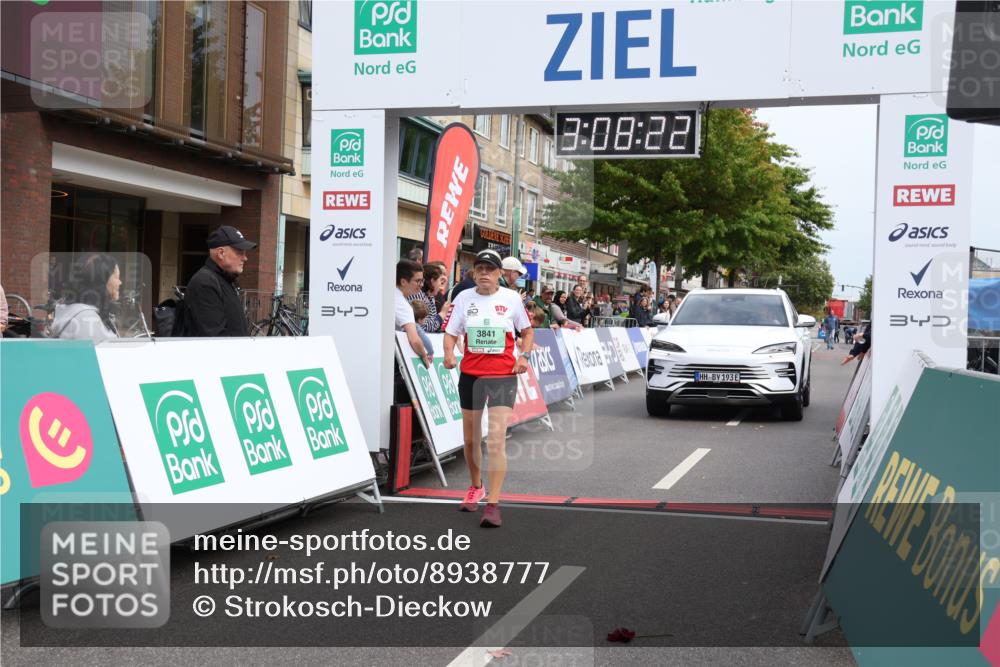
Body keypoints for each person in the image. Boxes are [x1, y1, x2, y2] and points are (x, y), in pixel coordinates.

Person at [444, 249, 533, 528]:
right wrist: (448, 353)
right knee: (470, 441)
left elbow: (527, 331)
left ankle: (493, 504)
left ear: (499, 274)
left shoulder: (510, 300)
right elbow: (450, 332)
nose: (484, 273)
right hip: (471, 376)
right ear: (473, 273)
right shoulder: (463, 299)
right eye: (479, 268)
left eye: (490, 269)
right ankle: (476, 486)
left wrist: (524, 356)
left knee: (495, 440)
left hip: (502, 377)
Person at [176, 225, 255, 337]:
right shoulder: (204, 283)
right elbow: (214, 338)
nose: (245, 258)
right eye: (240, 252)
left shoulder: (225, 280)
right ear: (221, 253)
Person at [50, 253, 121, 343]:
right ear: (101, 281)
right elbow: (96, 355)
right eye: (116, 277)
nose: (120, 282)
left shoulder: (77, 312)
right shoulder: (86, 319)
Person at [395, 259, 432, 367]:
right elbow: (414, 340)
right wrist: (425, 356)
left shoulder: (386, 292)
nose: (421, 285)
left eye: (422, 281)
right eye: (417, 281)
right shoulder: (403, 305)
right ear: (403, 282)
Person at [408, 263, 448, 333]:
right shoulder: (417, 295)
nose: (441, 284)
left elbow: (431, 325)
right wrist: (442, 314)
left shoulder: (430, 296)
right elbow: (424, 326)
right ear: (432, 281)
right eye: (440, 280)